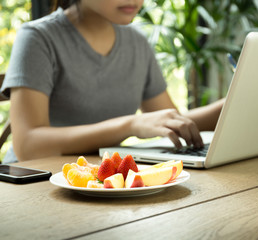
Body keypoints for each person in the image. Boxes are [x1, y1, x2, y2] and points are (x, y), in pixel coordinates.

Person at [0, 0, 224, 163]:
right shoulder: (38, 37)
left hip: (102, 181)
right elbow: (28, 146)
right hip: (33, 183)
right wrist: (131, 125)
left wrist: (232, 105)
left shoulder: (137, 42)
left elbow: (172, 122)